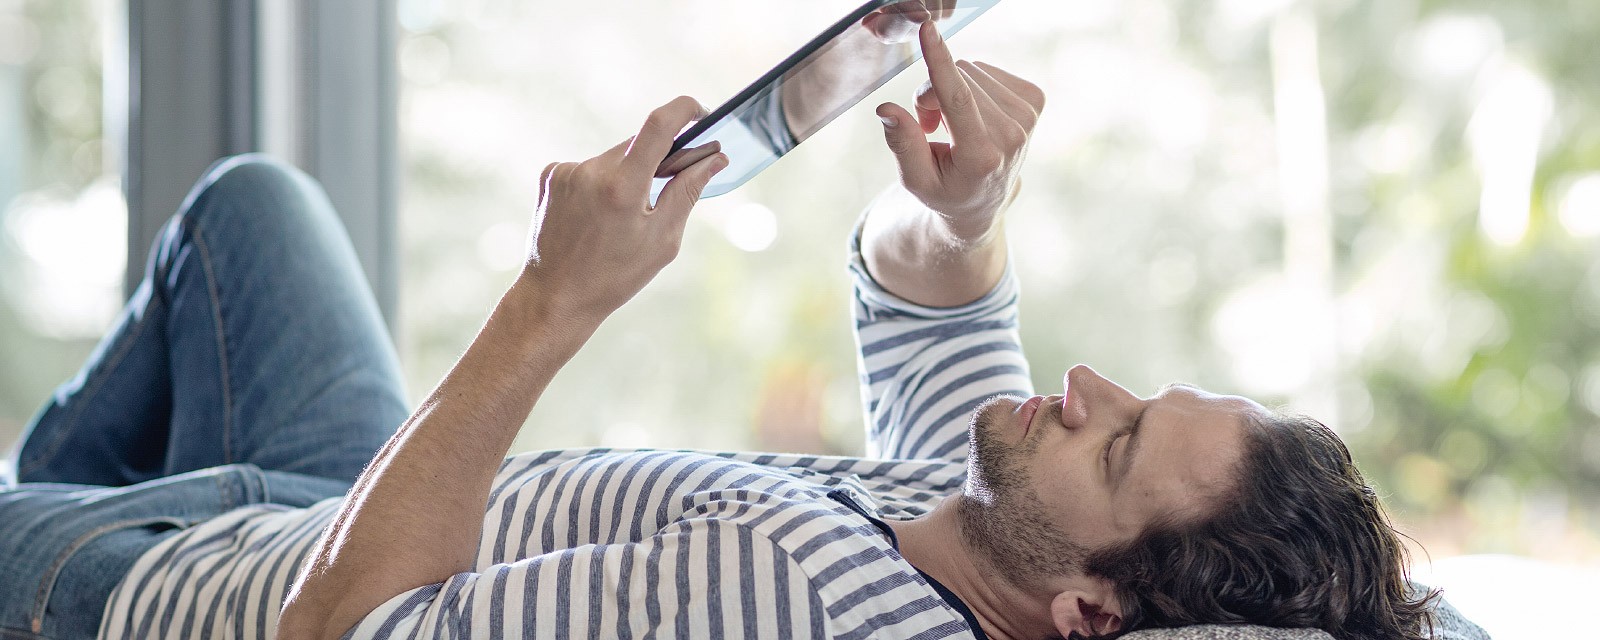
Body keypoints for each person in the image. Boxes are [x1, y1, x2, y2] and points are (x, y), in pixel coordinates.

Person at [0, 20, 1484, 640]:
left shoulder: (785, 602)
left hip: (202, 591)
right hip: (353, 493)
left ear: (1092, 619)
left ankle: (58, 522)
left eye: (1122, 440)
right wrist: (963, 213)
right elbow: (933, 302)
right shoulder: (989, 542)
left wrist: (553, 298)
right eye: (1136, 396)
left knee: (44, 527)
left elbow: (334, 631)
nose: (1083, 387)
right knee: (251, 213)